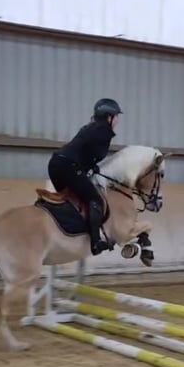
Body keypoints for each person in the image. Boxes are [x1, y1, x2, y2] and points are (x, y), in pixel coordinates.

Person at [47, 98, 122, 255]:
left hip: (56, 164)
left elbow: (85, 152)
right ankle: (95, 242)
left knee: (71, 199)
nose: (118, 120)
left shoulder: (91, 128)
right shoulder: (104, 131)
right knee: (95, 200)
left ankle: (65, 230)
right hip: (69, 167)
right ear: (109, 117)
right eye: (116, 116)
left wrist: (90, 166)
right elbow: (94, 154)